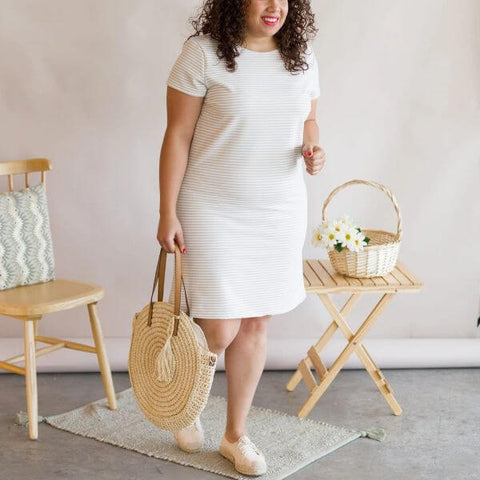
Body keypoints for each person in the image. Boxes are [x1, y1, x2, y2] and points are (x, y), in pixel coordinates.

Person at [157, 0, 326, 475]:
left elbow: (308, 117)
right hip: (213, 206)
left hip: (278, 210)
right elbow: (177, 135)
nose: (275, 6)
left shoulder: (303, 54)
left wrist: (312, 145)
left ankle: (235, 435)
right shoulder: (203, 53)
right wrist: (167, 211)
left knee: (255, 323)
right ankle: (186, 402)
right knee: (218, 327)